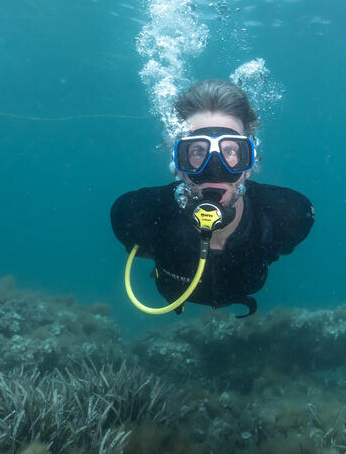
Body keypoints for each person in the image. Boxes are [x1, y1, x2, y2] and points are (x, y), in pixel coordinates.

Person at [111, 79, 314, 317]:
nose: (215, 169)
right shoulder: (136, 215)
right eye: (197, 151)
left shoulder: (288, 216)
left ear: (251, 162)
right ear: (177, 163)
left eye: (230, 151)